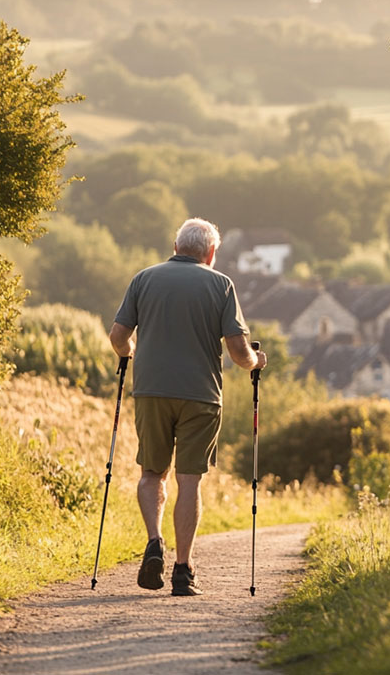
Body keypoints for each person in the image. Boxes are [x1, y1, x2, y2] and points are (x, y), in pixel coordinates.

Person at [108, 217, 266, 596]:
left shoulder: (143, 278)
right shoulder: (221, 284)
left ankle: (153, 542)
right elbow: (239, 353)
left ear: (176, 246)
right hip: (201, 396)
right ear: (210, 253)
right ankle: (183, 571)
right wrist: (258, 363)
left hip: (151, 391)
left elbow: (118, 336)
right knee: (189, 480)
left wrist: (128, 354)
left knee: (151, 472)